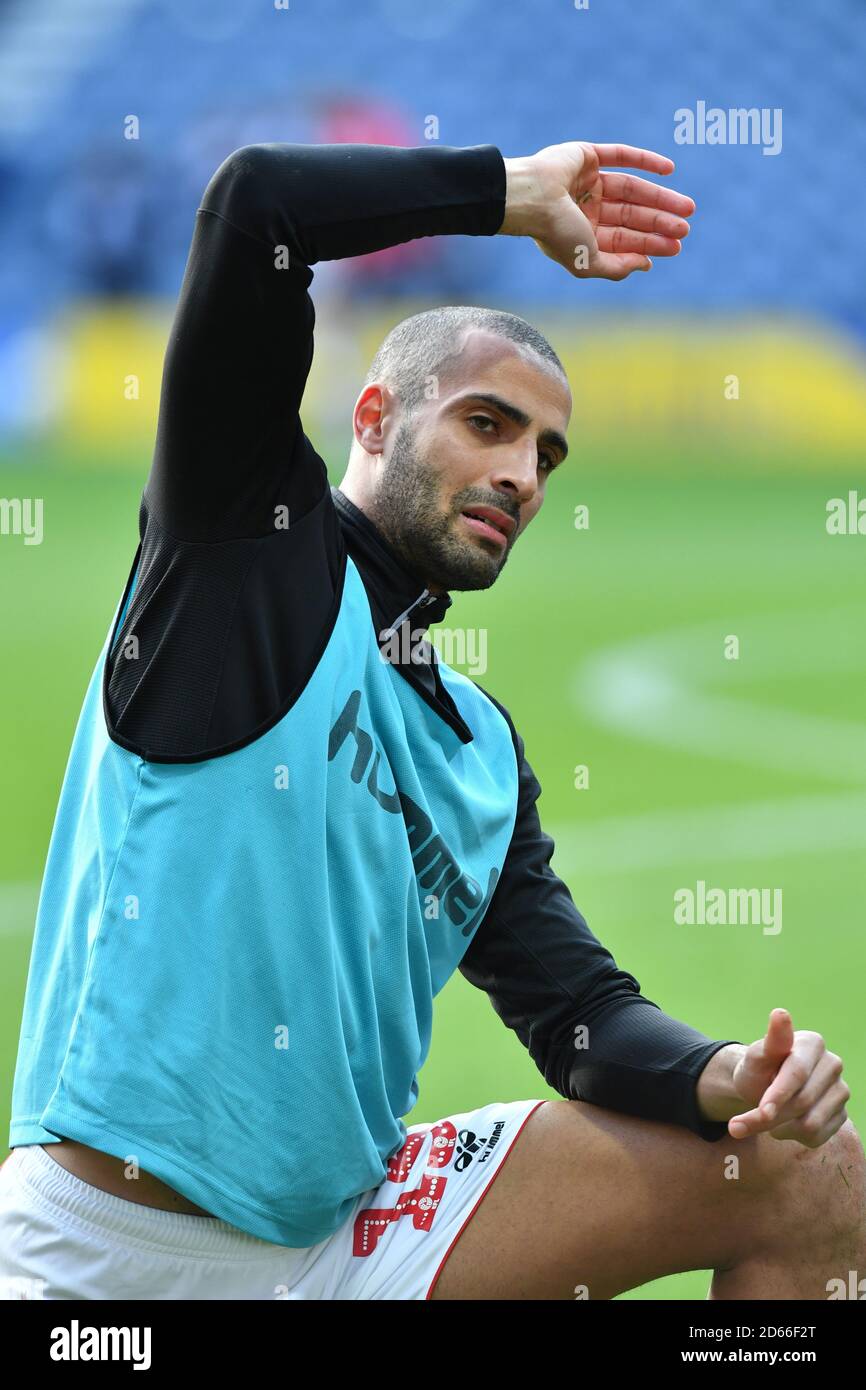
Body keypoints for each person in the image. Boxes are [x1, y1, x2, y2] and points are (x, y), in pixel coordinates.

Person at [1, 139, 862, 1301]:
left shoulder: (478, 753)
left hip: (345, 1245)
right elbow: (256, 203)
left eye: (546, 455)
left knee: (812, 1174)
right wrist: (509, 198)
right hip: (104, 1252)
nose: (522, 475)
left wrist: (720, 1074)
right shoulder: (242, 561)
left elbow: (581, 1019)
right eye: (487, 423)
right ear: (372, 416)